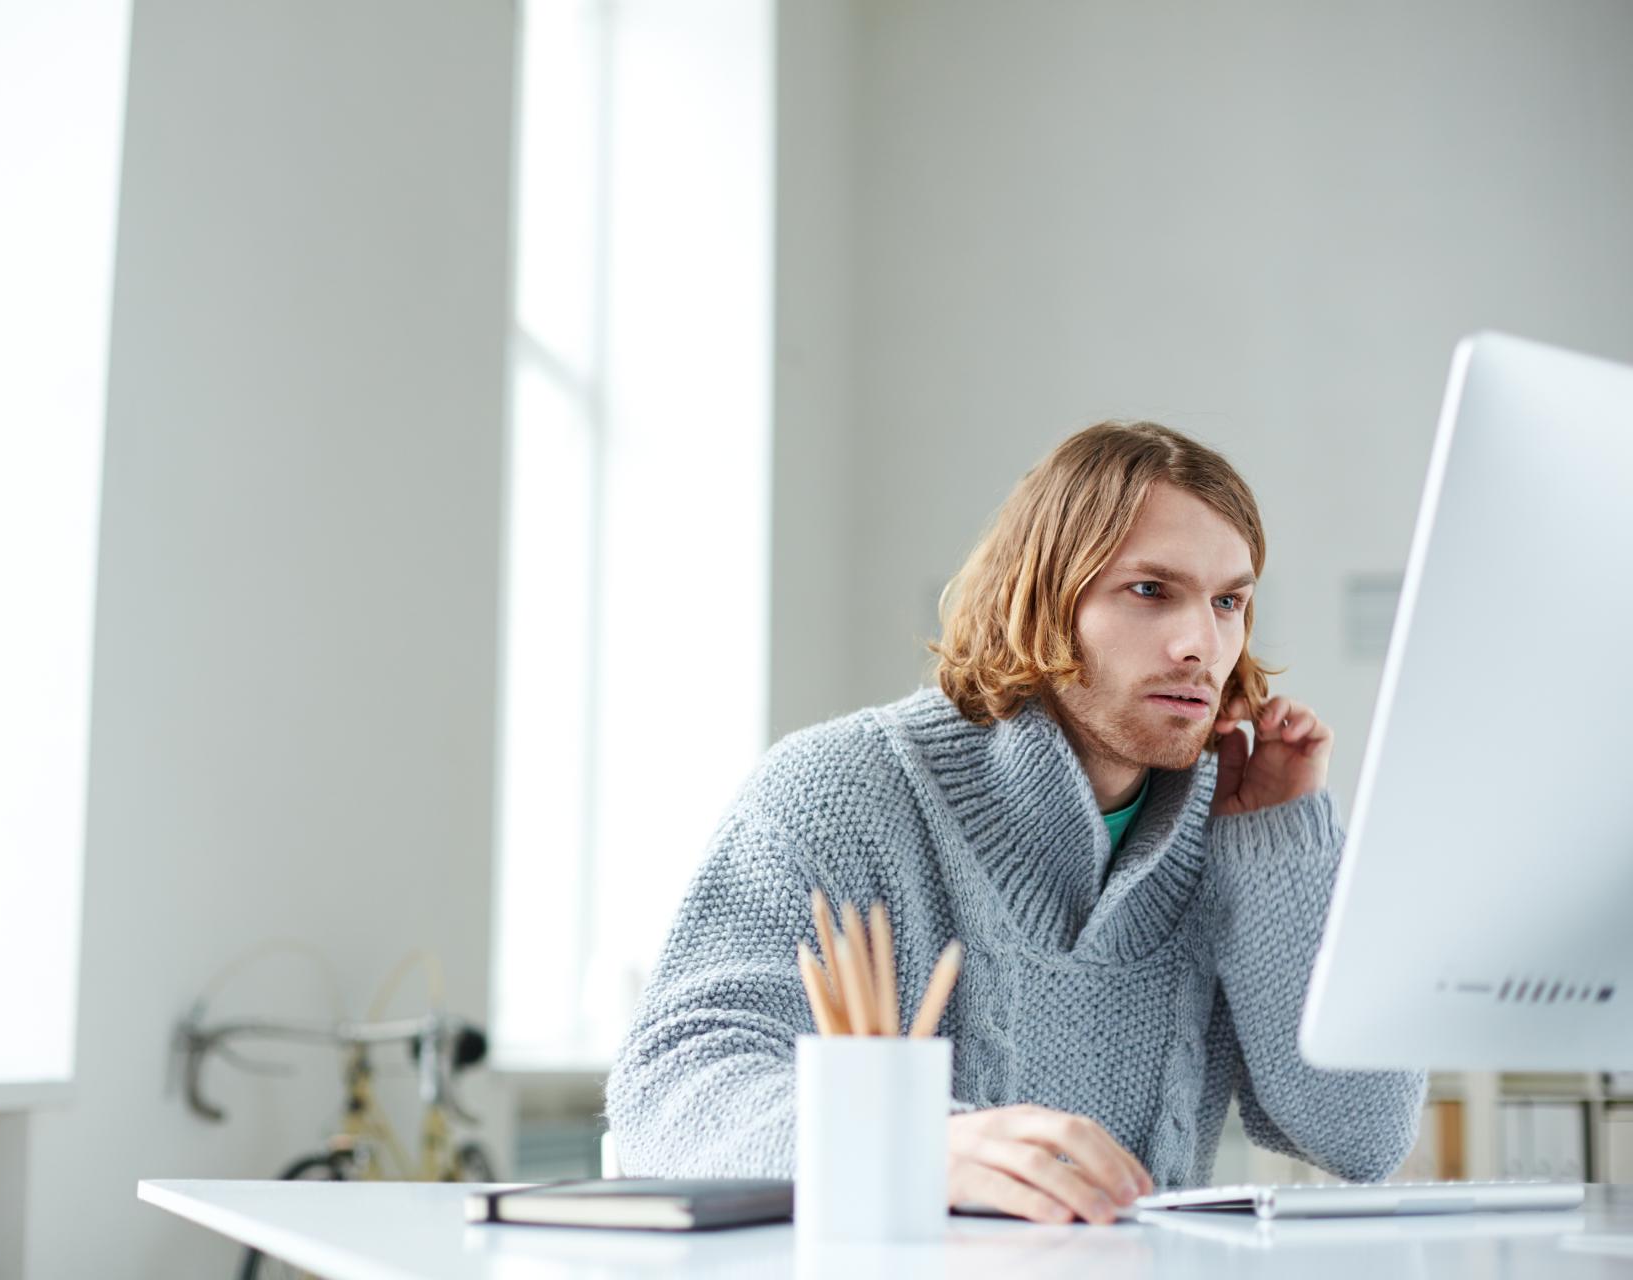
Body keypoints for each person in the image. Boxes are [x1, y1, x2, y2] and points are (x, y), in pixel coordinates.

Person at [604, 421, 1424, 1225]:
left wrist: (1282, 846)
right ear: (1040, 597)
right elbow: (669, 1087)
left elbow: (1363, 1136)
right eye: (1150, 591)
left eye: (1229, 602)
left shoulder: (1237, 823)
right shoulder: (838, 788)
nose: (1200, 645)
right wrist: (918, 1148)